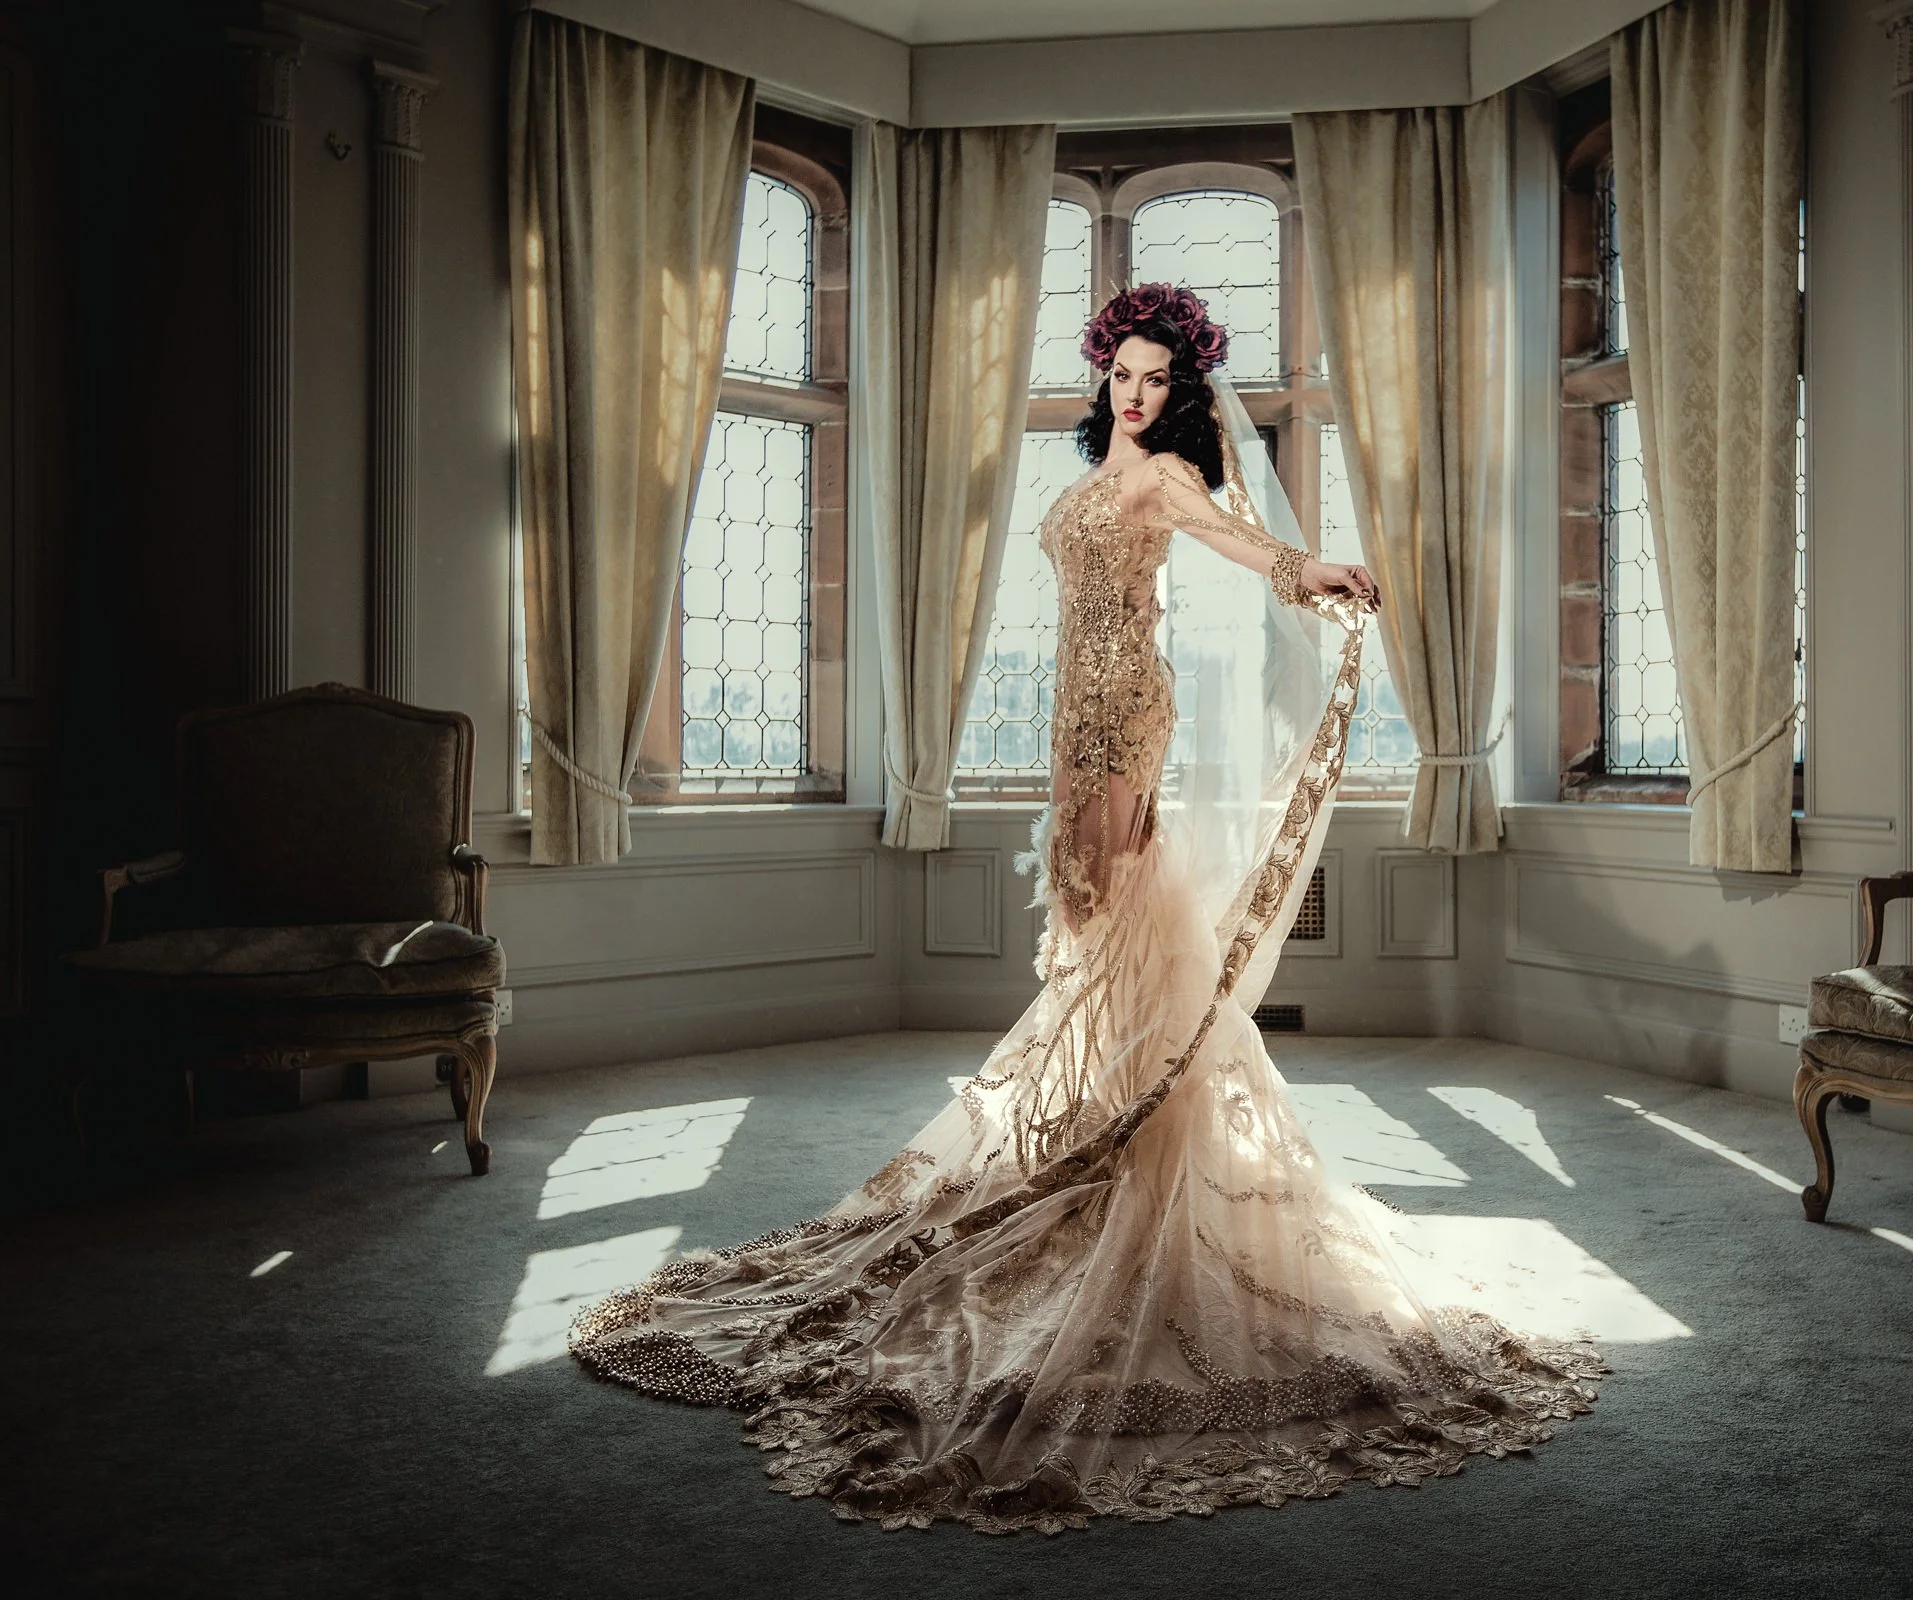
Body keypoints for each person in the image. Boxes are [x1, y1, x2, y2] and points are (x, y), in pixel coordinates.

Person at [572, 284, 1603, 1535]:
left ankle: (1127, 1122)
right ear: (1103, 372)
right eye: (1123, 371)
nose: (1134, 391)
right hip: (1078, 705)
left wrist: (1315, 569)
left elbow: (1244, 545)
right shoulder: (1087, 477)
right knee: (1085, 905)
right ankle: (1100, 1105)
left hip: (1125, 708)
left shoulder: (1164, 483)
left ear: (1181, 397)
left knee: (1114, 909)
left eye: (1157, 380)